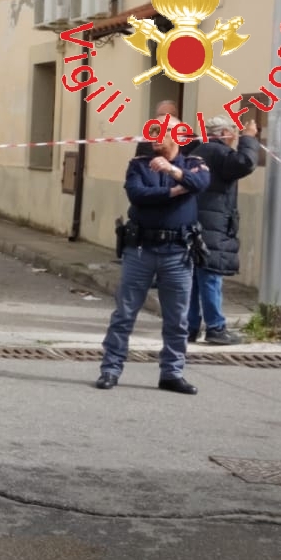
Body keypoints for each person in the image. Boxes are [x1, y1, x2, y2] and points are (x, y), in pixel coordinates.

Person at [97, 124, 210, 394]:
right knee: (124, 314)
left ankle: (172, 373)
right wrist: (174, 191)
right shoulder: (139, 164)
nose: (155, 137)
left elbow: (200, 184)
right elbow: (138, 195)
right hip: (140, 250)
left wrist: (172, 171)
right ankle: (110, 369)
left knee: (177, 319)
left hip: (178, 252)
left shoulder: (194, 163)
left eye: (161, 132)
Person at [180, 113, 259, 345]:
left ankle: (190, 327)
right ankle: (215, 327)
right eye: (233, 133)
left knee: (195, 277)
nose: (235, 137)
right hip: (213, 224)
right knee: (210, 276)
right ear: (224, 133)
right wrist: (249, 138)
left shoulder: (198, 151)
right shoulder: (218, 152)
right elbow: (245, 163)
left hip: (197, 220)